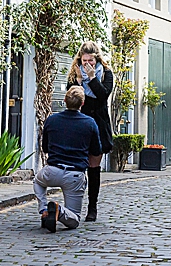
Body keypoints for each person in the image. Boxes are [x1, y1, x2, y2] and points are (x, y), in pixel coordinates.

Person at [35, 85, 101, 232]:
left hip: (52, 171)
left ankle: (44, 209)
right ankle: (59, 210)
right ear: (82, 104)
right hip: (74, 175)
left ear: (64, 100)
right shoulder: (90, 123)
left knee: (38, 182)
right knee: (74, 219)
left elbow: (45, 148)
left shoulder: (52, 120)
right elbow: (96, 151)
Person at [66, 41, 113, 222]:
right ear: (80, 59)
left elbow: (103, 95)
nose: (87, 65)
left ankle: (92, 207)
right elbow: (72, 98)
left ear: (97, 59)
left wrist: (92, 78)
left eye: (91, 61)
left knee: (93, 167)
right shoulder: (75, 73)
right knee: (77, 166)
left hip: (99, 124)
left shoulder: (106, 74)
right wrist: (79, 81)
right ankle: (72, 206)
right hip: (79, 123)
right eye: (84, 60)